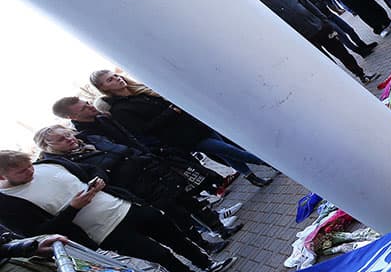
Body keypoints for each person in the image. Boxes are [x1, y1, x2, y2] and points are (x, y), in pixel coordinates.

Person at [0, 150, 232, 272]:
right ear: (3, 175)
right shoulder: (7, 202)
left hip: (125, 205)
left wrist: (99, 180)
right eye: (21, 171)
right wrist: (73, 208)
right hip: (104, 231)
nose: (30, 171)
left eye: (29, 165)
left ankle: (208, 264)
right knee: (157, 253)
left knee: (175, 237)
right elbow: (36, 232)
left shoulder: (49, 163)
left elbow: (90, 169)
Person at [34, 125, 240, 243]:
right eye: (61, 139)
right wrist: (118, 160)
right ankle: (205, 244)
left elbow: (119, 148)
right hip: (136, 188)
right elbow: (103, 170)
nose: (69, 139)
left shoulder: (91, 139)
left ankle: (220, 228)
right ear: (48, 146)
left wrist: (138, 156)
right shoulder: (65, 163)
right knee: (179, 216)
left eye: (68, 134)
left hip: (152, 172)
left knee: (192, 203)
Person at [90, 70, 277, 186]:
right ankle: (271, 162)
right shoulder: (120, 109)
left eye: (114, 75)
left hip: (196, 123)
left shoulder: (141, 90)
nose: (116, 79)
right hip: (183, 137)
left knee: (227, 152)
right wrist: (171, 111)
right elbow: (144, 129)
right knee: (228, 150)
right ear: (103, 88)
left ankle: (250, 176)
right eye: (109, 80)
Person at [52, 95, 235, 197]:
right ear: (71, 117)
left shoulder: (102, 118)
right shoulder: (86, 135)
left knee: (190, 172)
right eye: (84, 108)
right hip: (141, 164)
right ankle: (213, 212)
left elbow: (128, 135)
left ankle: (215, 194)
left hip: (150, 152)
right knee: (182, 185)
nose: (90, 107)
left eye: (88, 103)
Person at [233, 0, 378, 84]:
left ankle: (362, 75)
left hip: (319, 27)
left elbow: (305, 3)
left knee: (344, 54)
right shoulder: (252, 2)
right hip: (301, 39)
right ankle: (346, 88)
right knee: (326, 66)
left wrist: (325, 21)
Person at [295, 0, 378, 58]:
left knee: (349, 30)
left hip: (329, 14)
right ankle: (360, 52)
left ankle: (363, 45)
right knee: (342, 36)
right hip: (323, 19)